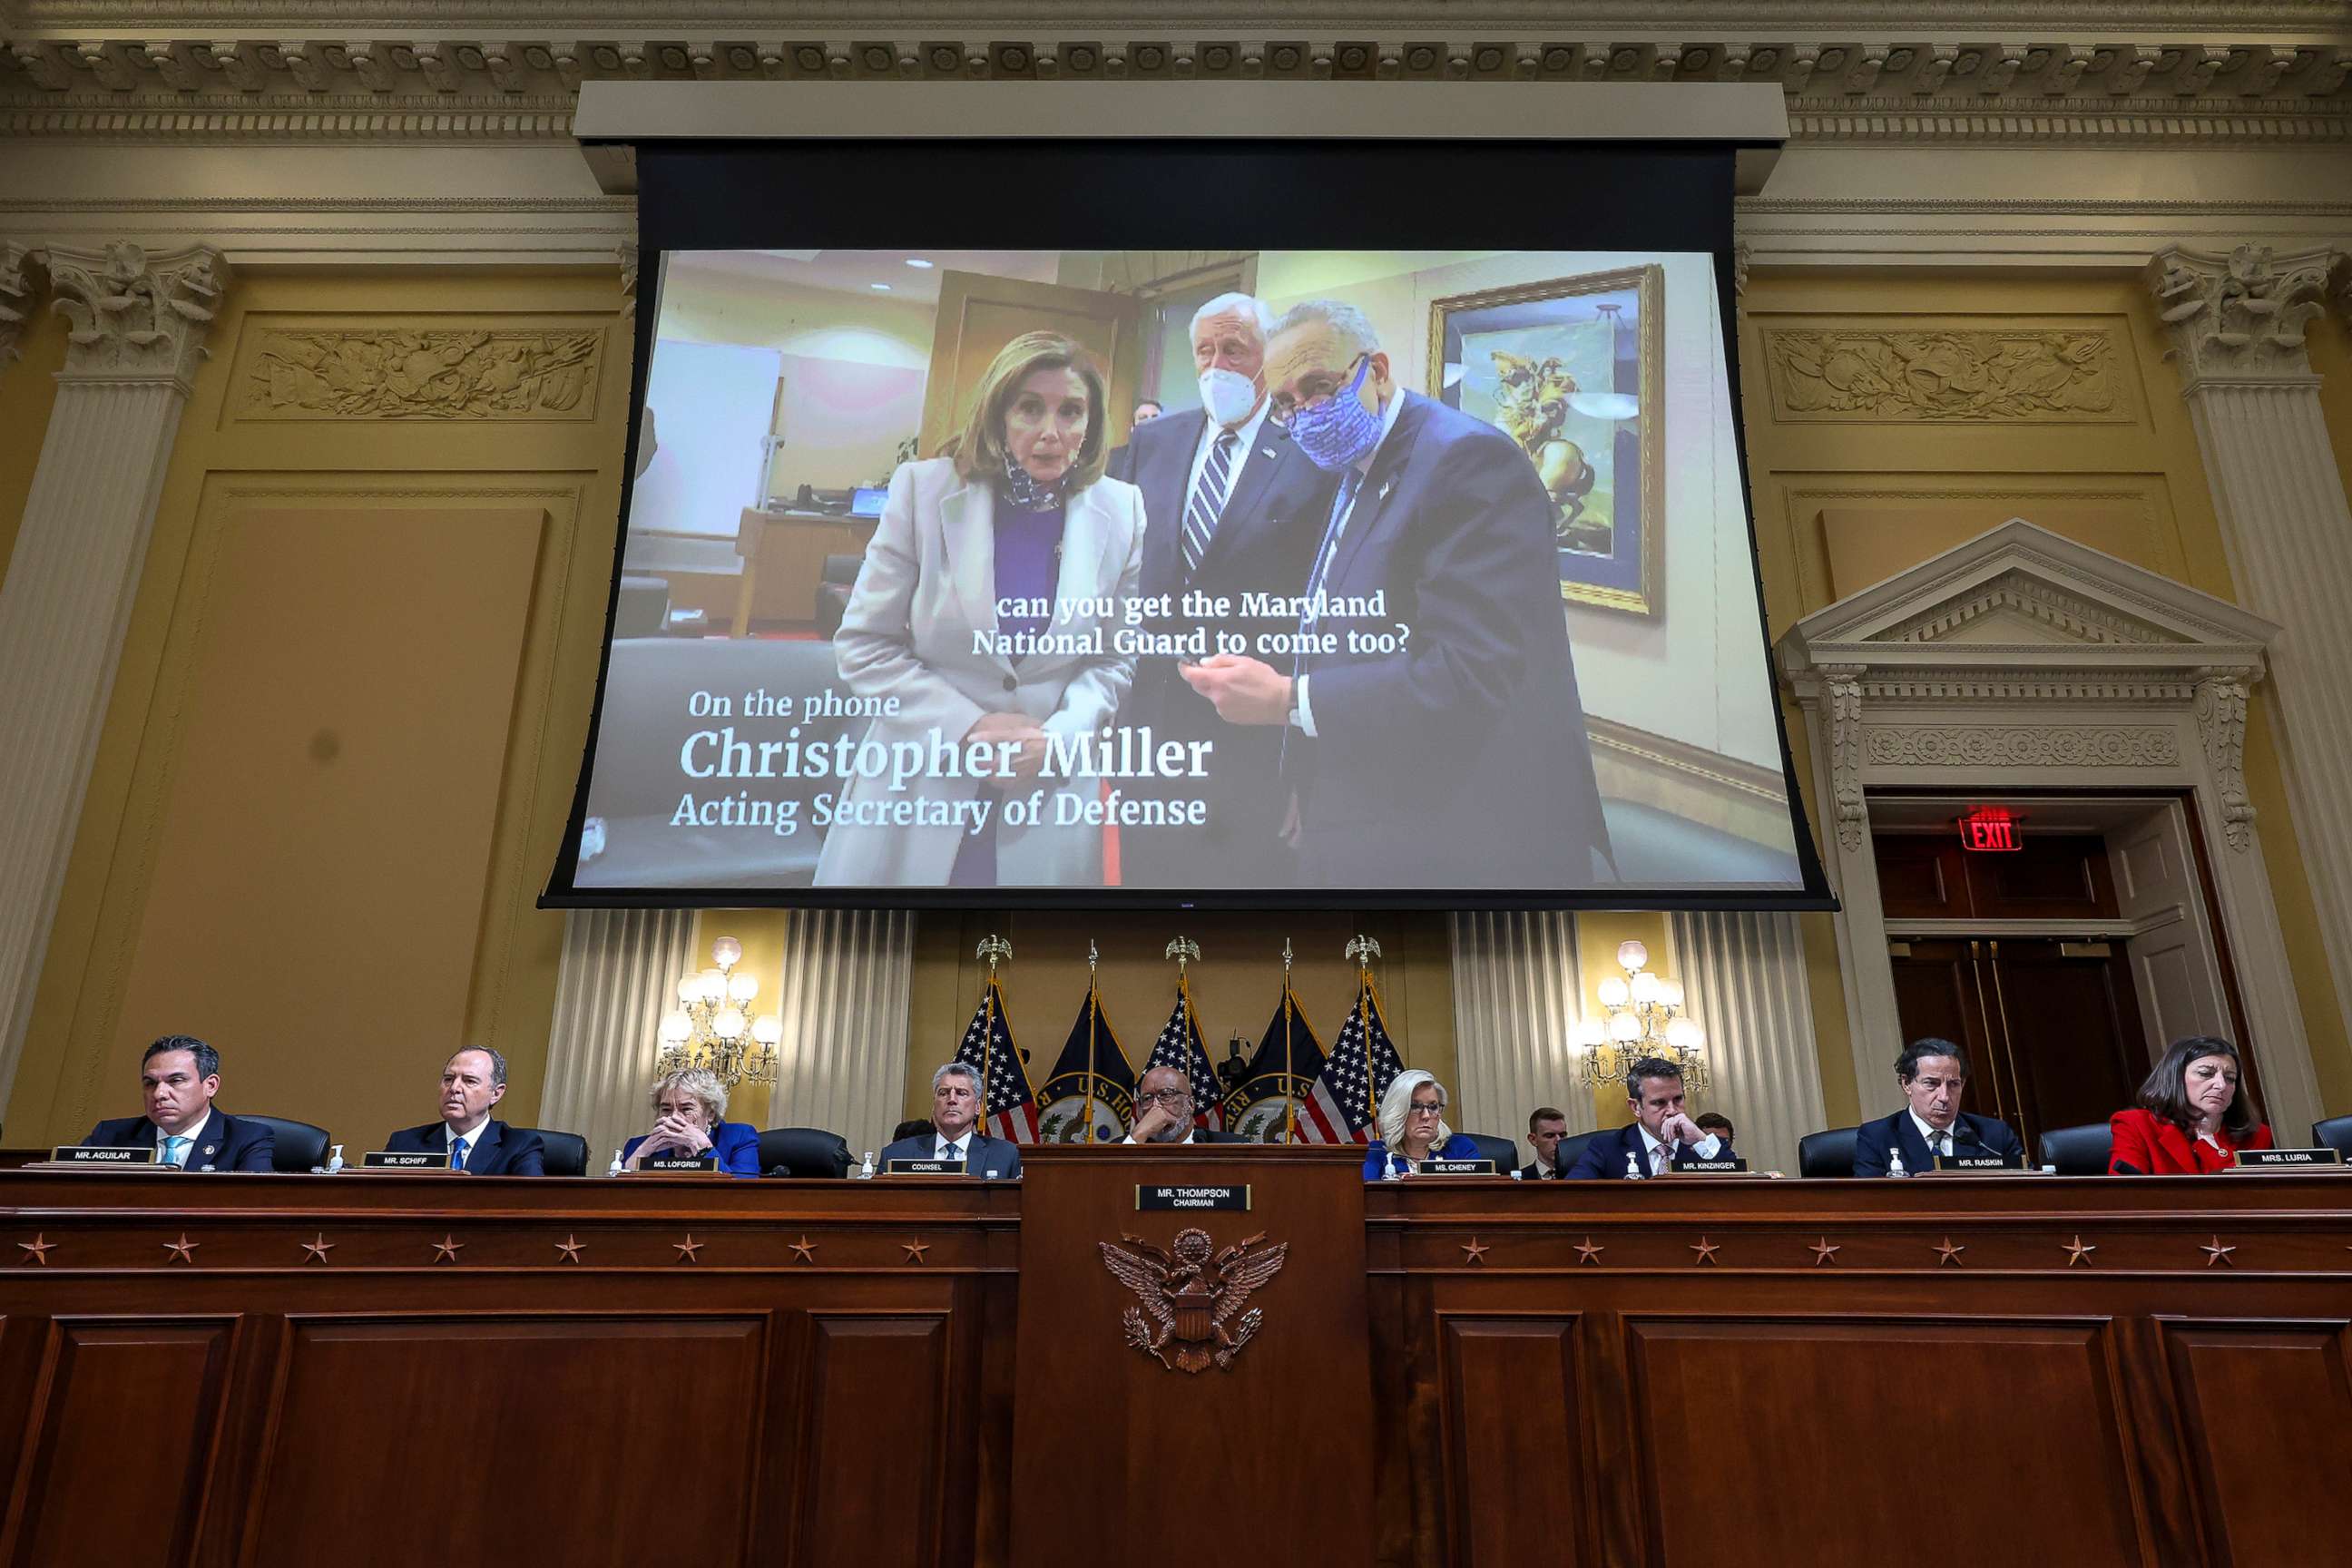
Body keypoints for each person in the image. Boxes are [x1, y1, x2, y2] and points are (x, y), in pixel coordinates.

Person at [1181, 298, 1612, 888]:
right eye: (1285, 403)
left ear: (1377, 370)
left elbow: (1468, 671)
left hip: (1456, 837)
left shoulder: (1466, 459)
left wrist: (1287, 699)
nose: (1304, 413)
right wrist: (1303, 778)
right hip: (1360, 803)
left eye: (1319, 386)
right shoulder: (1354, 465)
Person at [815, 331, 1147, 888]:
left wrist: (1057, 739)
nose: (1051, 431)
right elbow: (864, 645)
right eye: (1029, 408)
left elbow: (1113, 661)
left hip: (1046, 787)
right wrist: (969, 729)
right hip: (924, 778)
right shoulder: (924, 491)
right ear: (998, 416)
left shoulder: (1123, 508)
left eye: (1071, 411)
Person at [1107, 293, 1331, 887]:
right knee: (1144, 887)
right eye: (1205, 350)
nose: (1216, 366)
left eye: (1234, 349)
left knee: (1242, 902)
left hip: (1253, 734)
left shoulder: (1310, 450)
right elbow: (1125, 575)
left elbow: (1326, 613)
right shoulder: (1153, 444)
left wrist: (1305, 767)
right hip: (1150, 726)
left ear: (1268, 357)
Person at [81, 1034, 275, 1171]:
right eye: (150, 1083)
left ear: (211, 1086)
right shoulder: (109, 1136)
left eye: (176, 1081)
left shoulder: (247, 1139)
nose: (159, 1093)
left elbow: (253, 1207)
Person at [1853, 1038, 2025, 1176]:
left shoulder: (1994, 1136)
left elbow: (2027, 1194)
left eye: (1953, 1084)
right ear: (1907, 1084)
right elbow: (1870, 1203)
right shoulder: (1877, 1137)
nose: (1944, 1097)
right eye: (1931, 1084)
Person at [2109, 1035, 2273, 1174]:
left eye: (2230, 1078)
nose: (2221, 1085)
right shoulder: (2136, 1124)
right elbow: (2125, 1196)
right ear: (2176, 1077)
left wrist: (2209, 1132)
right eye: (2206, 1074)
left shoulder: (2258, 1136)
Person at [385, 1046, 545, 1174]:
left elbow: (532, 1206)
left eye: (469, 1081)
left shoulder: (519, 1145)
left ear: (496, 1093)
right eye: (448, 1079)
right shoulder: (404, 1143)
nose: (454, 1088)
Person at [1564, 1057, 1729, 1178]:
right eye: (1659, 1103)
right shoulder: (1607, 1149)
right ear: (1636, 1107)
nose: (1672, 1110)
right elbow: (1571, 1196)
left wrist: (1700, 1139)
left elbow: (1737, 1186)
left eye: (1678, 1099)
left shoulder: (1702, 1144)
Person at [878, 1062, 1025, 1177]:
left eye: (962, 1093)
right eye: (943, 1093)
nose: (952, 1099)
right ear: (934, 1105)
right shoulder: (896, 1155)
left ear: (978, 1107)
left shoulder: (1005, 1156)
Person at [620, 1066, 762, 1177]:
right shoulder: (637, 1146)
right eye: (666, 1109)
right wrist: (644, 1151)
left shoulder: (739, 1137)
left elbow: (743, 1194)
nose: (674, 1117)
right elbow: (617, 1197)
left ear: (710, 1113)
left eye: (686, 1109)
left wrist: (704, 1148)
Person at [1363, 1069, 1485, 1178]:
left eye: (1433, 1107)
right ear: (1397, 1113)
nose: (1426, 1116)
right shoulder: (1376, 1153)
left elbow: (1479, 1197)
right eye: (1415, 1106)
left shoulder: (1461, 1148)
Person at [1123, 1063, 1241, 1144]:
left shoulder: (1233, 1147)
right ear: (1139, 1111)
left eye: (1166, 1095)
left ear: (1190, 1105)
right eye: (1148, 1098)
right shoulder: (1124, 1145)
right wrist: (1139, 1134)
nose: (1156, 1106)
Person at [1520, 1104, 1570, 1180]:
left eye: (1562, 1135)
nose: (1558, 1141)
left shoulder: (1582, 1174)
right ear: (1533, 1140)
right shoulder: (1520, 1180)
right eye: (1550, 1136)